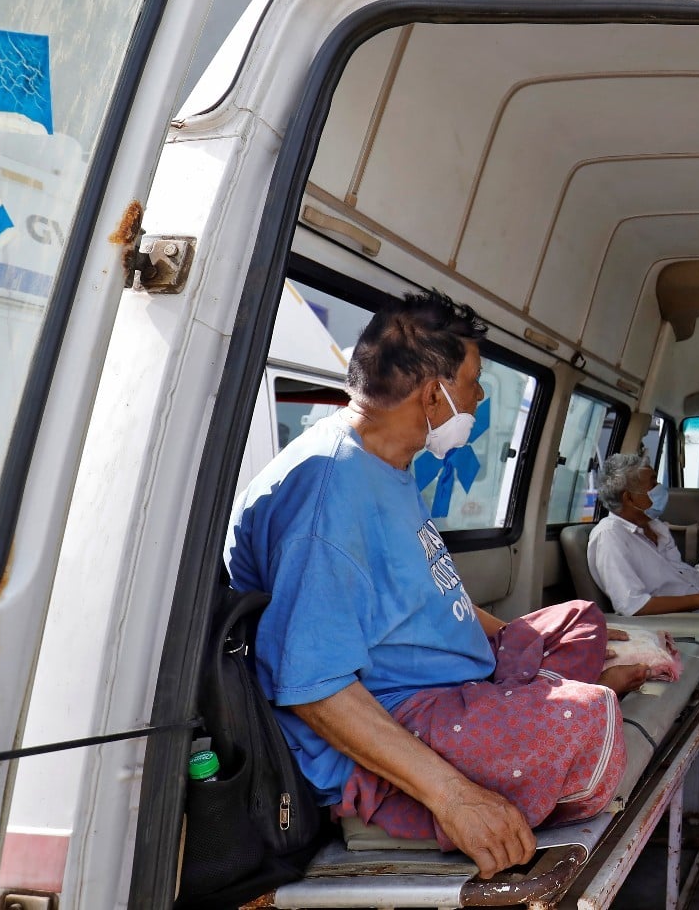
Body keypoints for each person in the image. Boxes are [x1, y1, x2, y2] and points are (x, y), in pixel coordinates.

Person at [226, 290, 650, 880]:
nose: (478, 397)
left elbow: (427, 588)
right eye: (474, 382)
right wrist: (454, 796)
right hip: (403, 711)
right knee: (589, 723)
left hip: (456, 678)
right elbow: (311, 684)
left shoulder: (387, 465)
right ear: (433, 393)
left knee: (578, 620)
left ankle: (525, 690)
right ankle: (518, 713)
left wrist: (517, 640)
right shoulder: (329, 497)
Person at [590, 452, 699, 616]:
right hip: (680, 623)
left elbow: (687, 576)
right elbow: (632, 605)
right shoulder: (610, 535)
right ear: (628, 498)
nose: (660, 488)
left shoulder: (655, 526)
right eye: (652, 484)